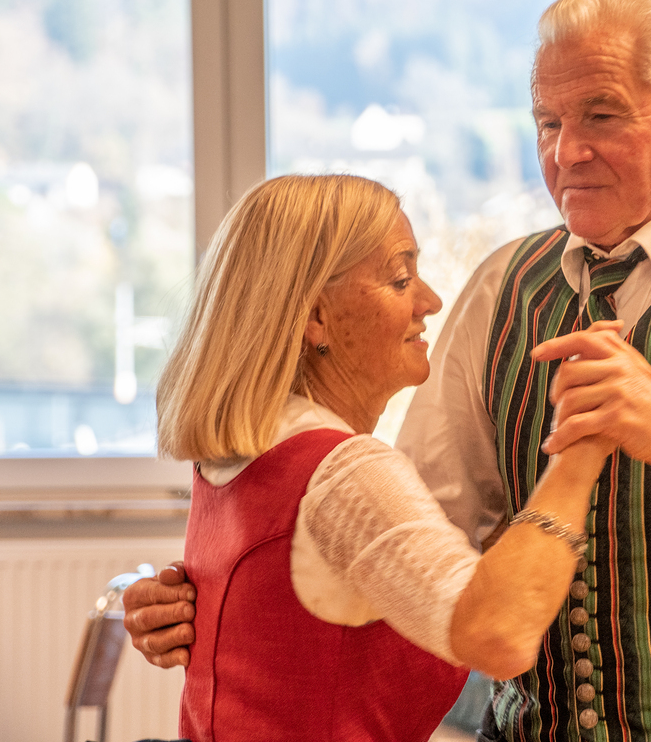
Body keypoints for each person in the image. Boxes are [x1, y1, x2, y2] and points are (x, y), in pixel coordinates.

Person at [128, 0, 651, 742]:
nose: (567, 151)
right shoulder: (500, 287)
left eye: (601, 115)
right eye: (548, 122)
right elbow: (408, 543)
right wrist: (218, 602)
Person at [154, 172, 623, 742]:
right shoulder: (343, 473)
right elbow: (499, 635)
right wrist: (580, 447)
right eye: (401, 280)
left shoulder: (237, 456)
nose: (431, 302)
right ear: (316, 316)